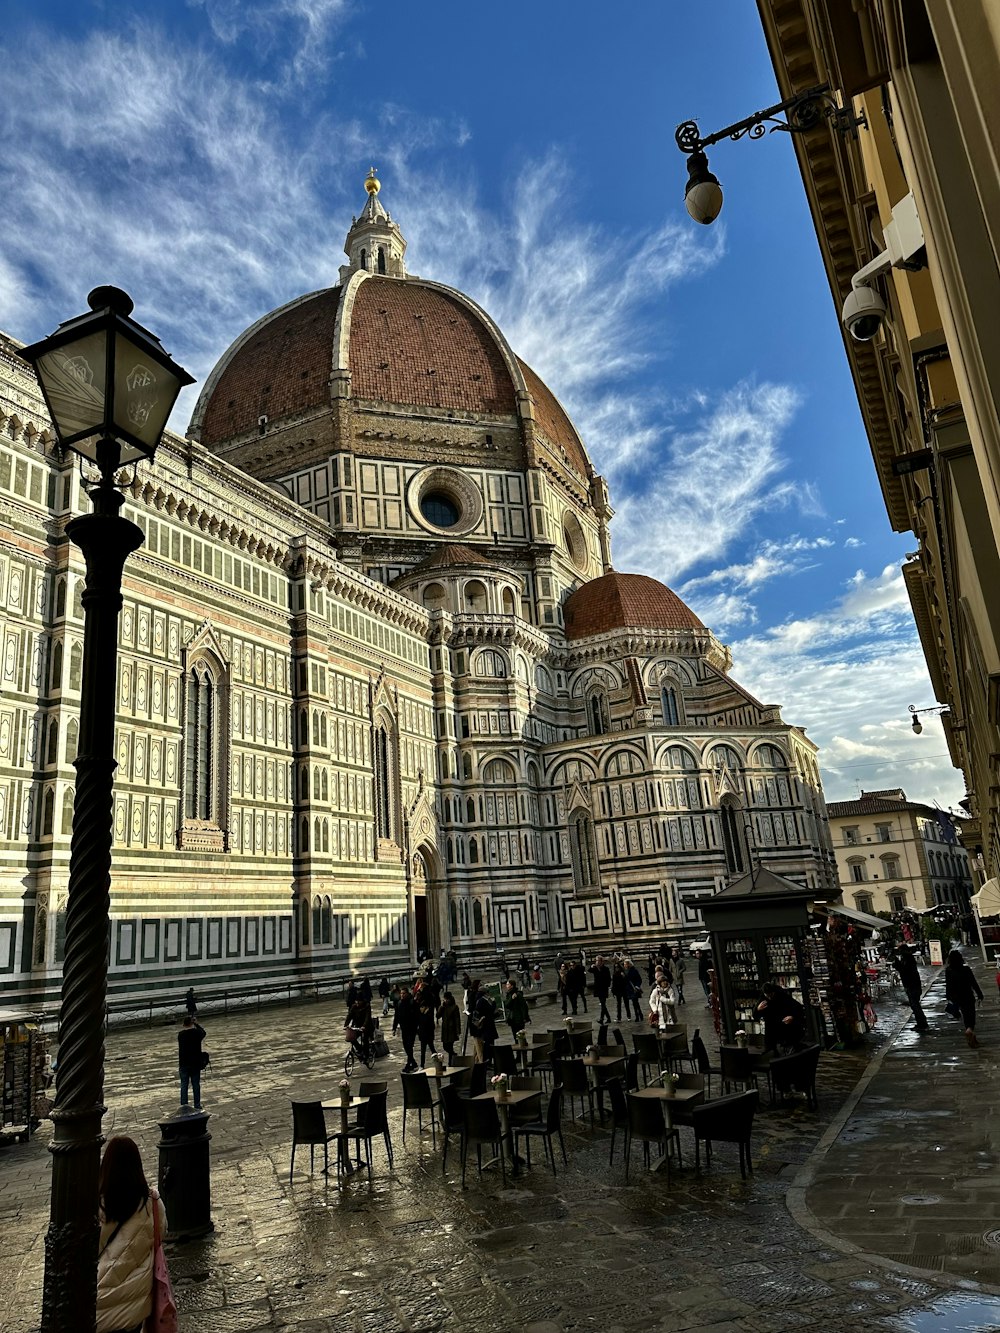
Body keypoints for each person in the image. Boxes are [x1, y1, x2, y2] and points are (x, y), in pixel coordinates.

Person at [97, 1135, 167, 1333]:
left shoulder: (99, 1205)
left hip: (100, 1301)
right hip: (136, 1304)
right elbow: (161, 1233)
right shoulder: (152, 1203)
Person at [945, 948, 984, 1047]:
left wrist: (949, 997)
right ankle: (970, 1030)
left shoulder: (948, 971)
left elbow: (948, 985)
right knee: (971, 1015)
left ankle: (970, 1033)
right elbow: (973, 983)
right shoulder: (966, 969)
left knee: (965, 1014)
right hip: (968, 995)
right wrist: (979, 994)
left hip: (957, 997)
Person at [756, 982, 805, 1052]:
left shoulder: (782, 995)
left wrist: (792, 1017)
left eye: (771, 995)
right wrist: (758, 1009)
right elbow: (755, 1014)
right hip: (771, 1028)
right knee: (772, 1051)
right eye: (767, 996)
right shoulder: (763, 998)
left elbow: (798, 1008)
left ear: (774, 992)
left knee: (789, 1049)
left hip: (785, 1025)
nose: (769, 998)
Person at [893, 944, 928, 1032]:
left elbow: (905, 971)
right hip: (912, 984)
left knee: (915, 1005)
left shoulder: (908, 959)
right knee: (915, 1005)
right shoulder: (908, 958)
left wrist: (897, 965)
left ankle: (922, 1023)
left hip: (912, 985)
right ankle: (921, 1022)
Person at [177, 1013, 206, 1112]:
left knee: (184, 1085)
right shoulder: (196, 1033)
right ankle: (197, 1105)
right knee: (195, 1084)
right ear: (192, 1023)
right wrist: (197, 1024)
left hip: (184, 1063)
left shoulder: (181, 1035)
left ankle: (184, 1105)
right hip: (195, 1063)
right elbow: (203, 1032)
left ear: (184, 1025)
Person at [470, 981, 498, 1065]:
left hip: (488, 1025)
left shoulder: (483, 1000)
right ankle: (487, 1061)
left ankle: (485, 1061)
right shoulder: (482, 1001)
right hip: (486, 1026)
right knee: (487, 1045)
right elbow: (484, 1012)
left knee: (487, 1045)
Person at [393, 985, 419, 1071]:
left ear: (407, 993)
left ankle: (409, 1064)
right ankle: (413, 1062)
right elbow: (396, 1016)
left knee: (409, 1045)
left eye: (404, 993)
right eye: (401, 993)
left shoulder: (412, 1002)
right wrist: (394, 1027)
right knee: (406, 1046)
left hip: (412, 1028)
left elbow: (417, 1015)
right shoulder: (399, 1003)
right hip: (404, 1028)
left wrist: (417, 1026)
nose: (402, 995)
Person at [416, 984, 437, 1067]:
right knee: (430, 1047)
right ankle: (437, 1062)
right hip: (427, 1028)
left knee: (425, 1048)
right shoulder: (430, 997)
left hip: (424, 1028)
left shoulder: (424, 998)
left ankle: (422, 1065)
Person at [439, 992, 461, 1062]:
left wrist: (458, 1031)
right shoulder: (443, 1006)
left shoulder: (454, 1007)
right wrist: (441, 1007)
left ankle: (451, 1062)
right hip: (445, 1029)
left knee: (450, 1046)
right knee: (445, 1046)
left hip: (451, 1029)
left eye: (446, 999)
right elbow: (437, 1015)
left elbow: (457, 1019)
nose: (445, 1000)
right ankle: (454, 1055)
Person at [591, 955, 612, 1026]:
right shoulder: (595, 968)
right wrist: (592, 966)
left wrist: (608, 987)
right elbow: (589, 970)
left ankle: (602, 1018)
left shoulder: (605, 969)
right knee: (603, 1004)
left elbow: (608, 979)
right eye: (596, 961)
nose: (597, 962)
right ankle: (608, 1018)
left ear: (601, 961)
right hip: (598, 988)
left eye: (598, 961)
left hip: (603, 988)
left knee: (603, 1003)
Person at [624, 957, 644, 1022]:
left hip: (634, 989)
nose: (624, 965)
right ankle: (640, 1015)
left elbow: (639, 979)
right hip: (629, 989)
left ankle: (638, 1016)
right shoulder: (626, 971)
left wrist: (637, 986)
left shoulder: (634, 971)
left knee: (635, 1003)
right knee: (635, 1003)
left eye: (625, 964)